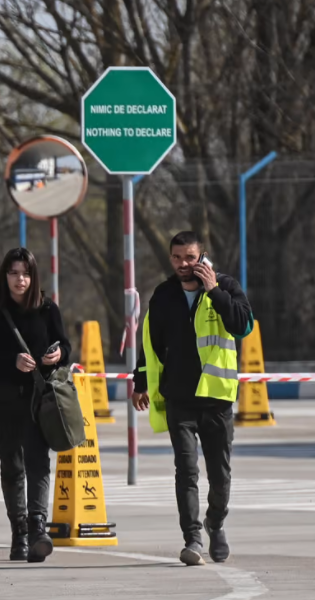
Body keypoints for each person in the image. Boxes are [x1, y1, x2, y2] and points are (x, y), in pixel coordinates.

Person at [133, 231, 252, 566]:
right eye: (177, 257)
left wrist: (214, 291)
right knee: (185, 471)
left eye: (189, 257)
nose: (183, 264)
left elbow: (243, 326)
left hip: (216, 399)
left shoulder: (226, 286)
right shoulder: (164, 295)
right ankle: (193, 538)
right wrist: (140, 381)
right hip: (179, 398)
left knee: (220, 476)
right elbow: (150, 343)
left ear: (202, 257)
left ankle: (216, 521)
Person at [0, 247, 69, 564]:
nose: (20, 279)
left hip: (41, 398)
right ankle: (20, 534)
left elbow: (65, 345)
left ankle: (39, 528)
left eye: (25, 273)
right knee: (11, 463)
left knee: (39, 461)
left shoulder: (48, 308)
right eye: (14, 273)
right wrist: (11, 362)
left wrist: (59, 355)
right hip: (6, 398)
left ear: (33, 276)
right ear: (5, 275)